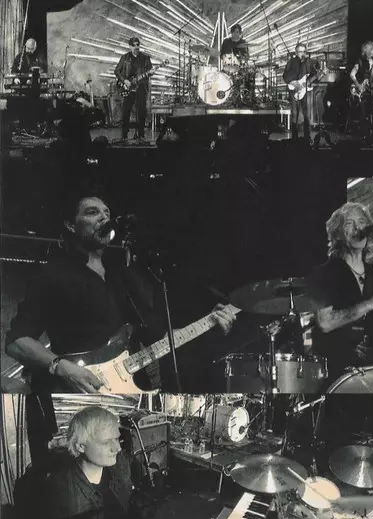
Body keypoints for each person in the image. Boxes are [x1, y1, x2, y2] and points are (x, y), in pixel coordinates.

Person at [5, 186, 236, 462]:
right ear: (70, 224)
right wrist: (62, 367)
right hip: (76, 387)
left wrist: (209, 323)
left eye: (107, 213)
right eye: (92, 212)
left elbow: (159, 337)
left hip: (123, 385)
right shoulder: (52, 274)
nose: (104, 218)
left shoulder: (122, 276)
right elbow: (16, 341)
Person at [308, 202, 373, 386]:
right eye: (349, 223)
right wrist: (371, 303)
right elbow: (325, 323)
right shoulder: (324, 273)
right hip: (335, 371)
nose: (358, 228)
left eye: (362, 222)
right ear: (337, 235)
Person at [114, 37, 153, 144]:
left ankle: (141, 135)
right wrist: (124, 80)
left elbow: (150, 71)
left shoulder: (145, 58)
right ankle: (124, 136)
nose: (136, 47)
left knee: (141, 112)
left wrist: (151, 72)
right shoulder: (125, 57)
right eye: (134, 45)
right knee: (126, 112)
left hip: (141, 87)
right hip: (128, 88)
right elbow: (117, 71)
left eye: (138, 45)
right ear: (130, 46)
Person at [282, 43, 319, 144]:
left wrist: (316, 77)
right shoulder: (291, 62)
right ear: (296, 52)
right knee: (295, 113)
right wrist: (294, 83)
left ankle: (307, 138)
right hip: (293, 89)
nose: (302, 53)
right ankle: (294, 138)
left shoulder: (308, 62)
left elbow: (313, 75)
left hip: (305, 91)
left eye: (303, 51)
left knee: (307, 114)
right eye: (299, 51)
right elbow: (285, 75)